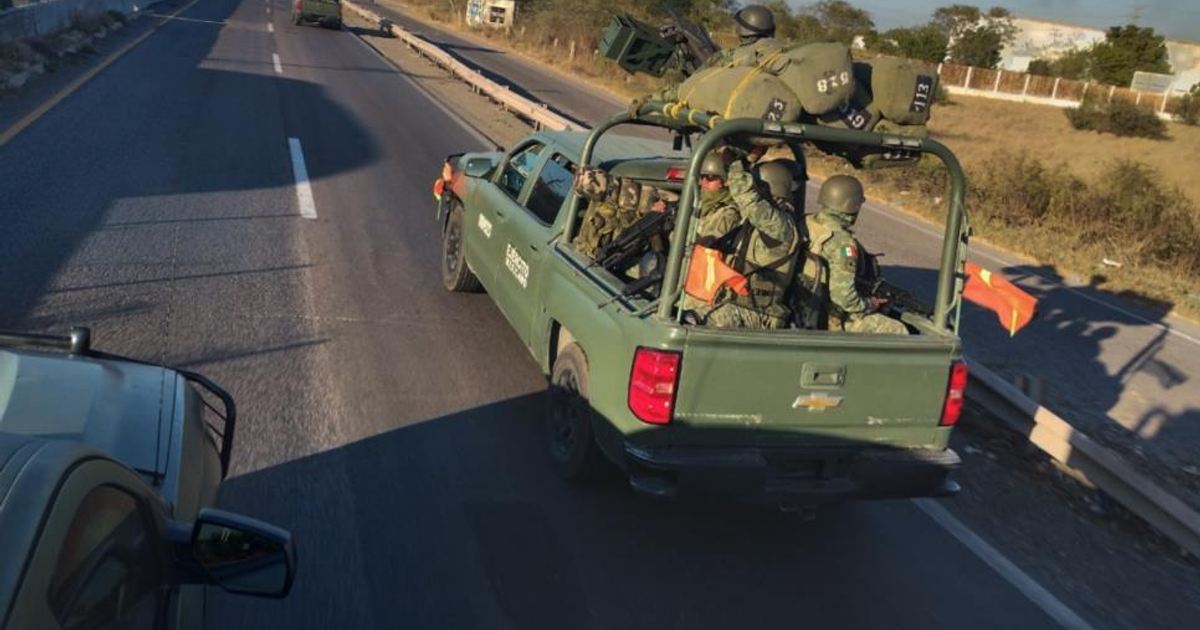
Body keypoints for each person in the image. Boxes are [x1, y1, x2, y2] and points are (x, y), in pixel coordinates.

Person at [681, 150, 801, 330]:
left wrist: (734, 163)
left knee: (687, 321)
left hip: (758, 312)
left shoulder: (779, 225)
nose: (753, 189)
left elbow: (746, 198)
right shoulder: (759, 220)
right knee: (679, 307)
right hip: (736, 301)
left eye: (757, 186)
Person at [629, 4, 784, 114]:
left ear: (741, 30)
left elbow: (693, 85)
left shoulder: (733, 57)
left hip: (733, 116)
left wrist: (650, 100)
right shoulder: (780, 52)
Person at [804, 175, 908, 335]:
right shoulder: (842, 243)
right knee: (897, 330)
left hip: (805, 303)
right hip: (829, 317)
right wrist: (870, 304)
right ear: (851, 205)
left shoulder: (809, 222)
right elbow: (844, 299)